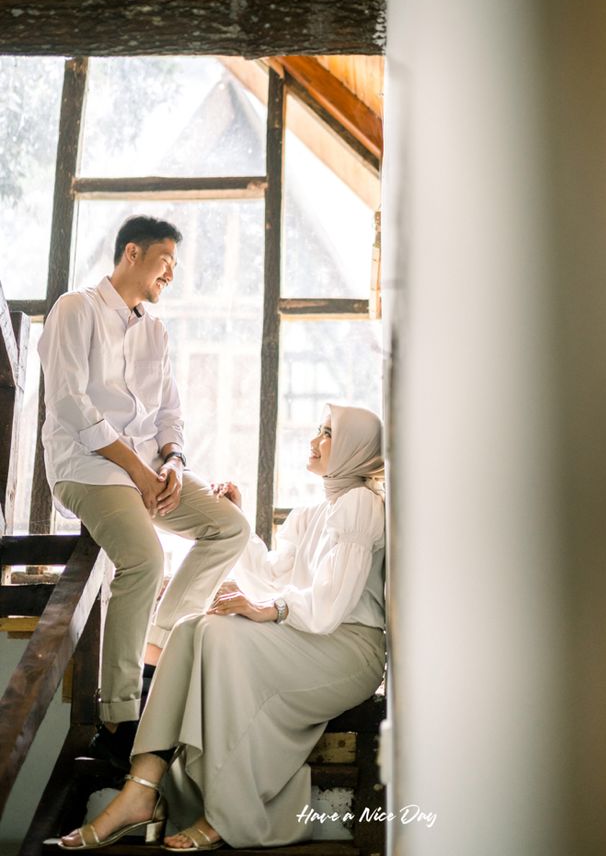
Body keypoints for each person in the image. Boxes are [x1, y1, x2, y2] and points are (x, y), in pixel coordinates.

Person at [56, 403, 387, 850]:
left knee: (218, 631)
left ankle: (226, 813)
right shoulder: (311, 512)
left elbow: (331, 604)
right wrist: (243, 524)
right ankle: (142, 787)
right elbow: (271, 576)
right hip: (308, 639)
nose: (314, 439)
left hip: (349, 651)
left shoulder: (361, 505)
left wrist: (270, 611)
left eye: (327, 432)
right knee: (194, 625)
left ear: (353, 448)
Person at [38, 215, 249, 767]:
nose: (171, 275)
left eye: (175, 266)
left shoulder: (156, 329)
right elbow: (67, 402)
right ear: (132, 253)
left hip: (151, 471)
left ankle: (156, 643)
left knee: (230, 526)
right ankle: (119, 713)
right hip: (88, 467)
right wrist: (137, 469)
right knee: (143, 559)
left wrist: (175, 462)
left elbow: (170, 414)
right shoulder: (75, 308)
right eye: (165, 262)